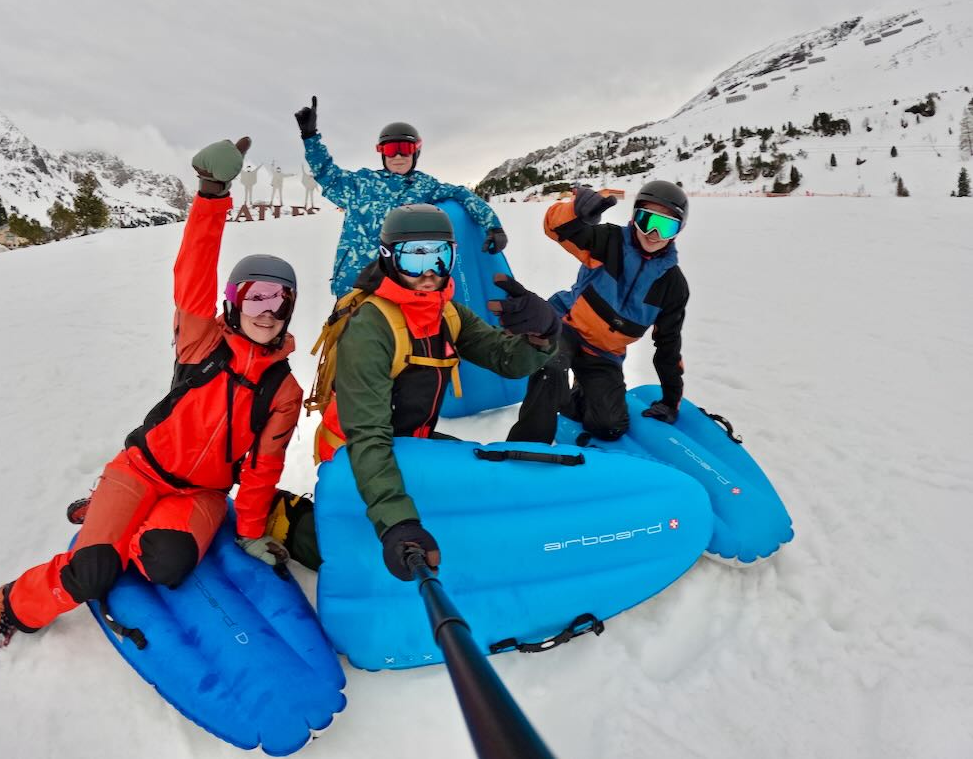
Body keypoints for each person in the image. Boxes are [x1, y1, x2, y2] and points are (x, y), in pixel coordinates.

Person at [0, 136, 305, 651]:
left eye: (279, 300)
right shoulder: (203, 342)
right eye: (255, 296)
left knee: (166, 565)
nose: (267, 310)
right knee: (92, 571)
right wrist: (212, 195)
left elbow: (265, 466)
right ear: (233, 301)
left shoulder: (283, 390)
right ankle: (15, 601)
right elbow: (193, 271)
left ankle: (116, 522)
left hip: (201, 494)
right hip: (141, 469)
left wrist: (249, 530)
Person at [271, 203, 558, 580]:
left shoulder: (447, 313)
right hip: (354, 454)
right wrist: (398, 522)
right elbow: (368, 436)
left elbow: (507, 360)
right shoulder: (371, 328)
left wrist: (541, 335)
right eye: (414, 258)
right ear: (388, 258)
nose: (429, 273)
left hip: (412, 443)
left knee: (474, 490)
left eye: (440, 257)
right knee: (360, 557)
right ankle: (288, 517)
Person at [506, 181, 691, 444]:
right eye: (646, 221)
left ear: (678, 231)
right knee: (551, 367)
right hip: (565, 327)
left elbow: (668, 346)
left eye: (666, 227)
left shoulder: (672, 286)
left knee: (609, 426)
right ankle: (526, 447)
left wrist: (671, 401)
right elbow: (555, 228)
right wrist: (574, 212)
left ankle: (576, 396)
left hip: (604, 353)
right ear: (634, 217)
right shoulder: (609, 241)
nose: (653, 234)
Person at [293, 96, 509, 297]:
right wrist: (310, 137)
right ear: (382, 153)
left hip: (404, 287)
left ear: (415, 152)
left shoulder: (425, 186)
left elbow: (462, 194)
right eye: (390, 149)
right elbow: (326, 173)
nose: (397, 155)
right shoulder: (361, 183)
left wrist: (493, 226)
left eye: (404, 148)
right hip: (355, 285)